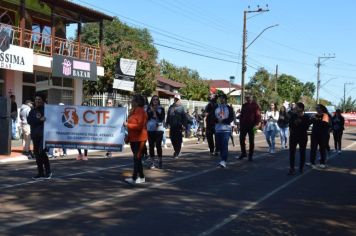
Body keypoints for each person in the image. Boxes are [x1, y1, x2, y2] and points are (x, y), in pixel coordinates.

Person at [124, 94, 148, 184]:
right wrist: (128, 138)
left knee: (137, 158)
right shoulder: (133, 111)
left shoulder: (141, 112)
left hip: (140, 138)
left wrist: (127, 125)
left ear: (137, 102)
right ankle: (141, 177)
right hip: (133, 138)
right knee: (137, 158)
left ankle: (135, 178)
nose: (131, 101)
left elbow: (139, 126)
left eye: (133, 100)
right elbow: (132, 127)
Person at [27, 93, 52, 179]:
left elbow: (52, 121)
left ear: (43, 100)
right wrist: (39, 120)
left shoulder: (47, 110)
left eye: (39, 99)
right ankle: (40, 172)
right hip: (35, 136)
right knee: (37, 155)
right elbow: (29, 121)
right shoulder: (32, 111)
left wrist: (43, 120)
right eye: (36, 99)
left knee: (42, 152)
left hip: (44, 136)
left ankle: (48, 171)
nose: (37, 101)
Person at [288, 102, 311, 175]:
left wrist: (300, 123)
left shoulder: (306, 117)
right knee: (292, 152)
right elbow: (290, 125)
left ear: (301, 108)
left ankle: (301, 168)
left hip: (302, 136)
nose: (295, 108)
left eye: (296, 107)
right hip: (293, 136)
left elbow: (306, 127)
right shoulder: (293, 116)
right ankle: (292, 168)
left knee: (302, 152)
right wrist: (295, 123)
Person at [238, 94, 261, 161]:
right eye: (246, 97)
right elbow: (242, 115)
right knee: (241, 139)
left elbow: (258, 115)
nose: (247, 98)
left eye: (249, 97)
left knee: (251, 140)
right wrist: (240, 123)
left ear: (252, 97)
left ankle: (250, 155)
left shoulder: (255, 105)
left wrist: (257, 124)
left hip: (252, 125)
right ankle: (243, 153)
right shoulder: (244, 105)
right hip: (244, 125)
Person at [215, 94, 234, 168]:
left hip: (226, 129)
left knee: (224, 145)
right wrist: (217, 120)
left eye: (223, 98)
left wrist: (223, 121)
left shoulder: (229, 108)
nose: (221, 100)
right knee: (219, 146)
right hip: (218, 129)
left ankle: (223, 160)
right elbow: (212, 117)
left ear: (225, 99)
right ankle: (222, 159)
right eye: (220, 98)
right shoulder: (216, 108)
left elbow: (231, 118)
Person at [146, 95, 165, 169]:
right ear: (152, 101)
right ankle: (152, 162)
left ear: (158, 101)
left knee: (158, 146)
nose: (155, 101)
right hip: (150, 129)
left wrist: (155, 111)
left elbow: (161, 118)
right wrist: (151, 111)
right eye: (154, 99)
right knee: (151, 146)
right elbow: (147, 117)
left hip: (159, 130)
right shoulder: (148, 108)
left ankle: (160, 161)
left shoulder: (161, 109)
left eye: (156, 99)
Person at [309, 104, 330, 169]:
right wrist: (311, 118)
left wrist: (316, 119)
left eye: (318, 108)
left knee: (322, 149)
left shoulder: (325, 115)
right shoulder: (315, 115)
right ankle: (312, 162)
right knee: (313, 149)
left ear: (321, 109)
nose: (316, 109)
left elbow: (325, 124)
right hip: (314, 135)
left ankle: (322, 163)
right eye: (316, 108)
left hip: (323, 135)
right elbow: (310, 122)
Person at [166, 94, 187, 158]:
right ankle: (176, 151)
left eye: (177, 99)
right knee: (172, 139)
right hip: (172, 126)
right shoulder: (171, 107)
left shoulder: (182, 107)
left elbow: (184, 117)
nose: (176, 100)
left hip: (179, 126)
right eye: (175, 99)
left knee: (178, 140)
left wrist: (184, 125)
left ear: (179, 100)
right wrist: (167, 123)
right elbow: (168, 116)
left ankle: (177, 152)